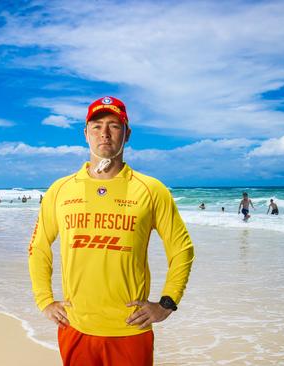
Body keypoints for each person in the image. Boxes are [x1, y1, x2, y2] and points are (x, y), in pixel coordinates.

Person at [28, 96, 195, 366]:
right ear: (86, 134)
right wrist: (45, 300)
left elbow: (182, 249)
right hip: (77, 326)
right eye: (97, 126)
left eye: (114, 125)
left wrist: (167, 303)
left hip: (130, 328)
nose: (104, 133)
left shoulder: (151, 190)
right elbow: (38, 247)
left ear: (127, 134)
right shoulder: (60, 189)